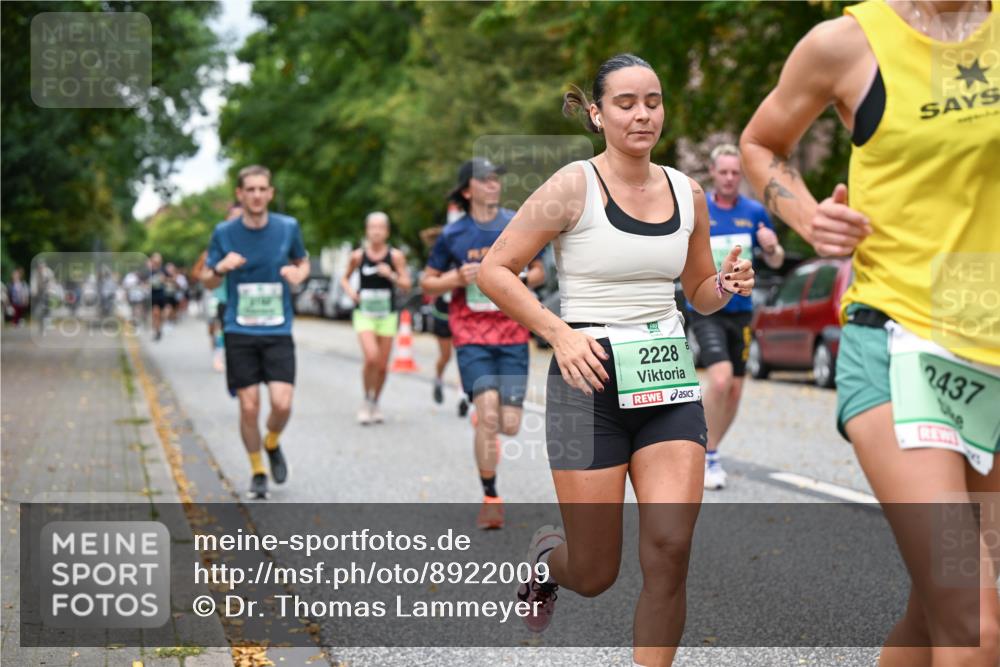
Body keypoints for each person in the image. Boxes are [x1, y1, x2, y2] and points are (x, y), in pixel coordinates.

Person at [740, 2, 999, 664]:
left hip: (992, 351)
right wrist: (809, 218)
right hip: (900, 343)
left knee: (938, 610)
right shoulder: (847, 45)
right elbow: (760, 145)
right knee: (974, 623)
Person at [477, 54, 754, 666]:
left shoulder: (688, 192)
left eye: (652, 101)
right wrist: (559, 334)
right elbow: (495, 270)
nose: (642, 114)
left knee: (671, 549)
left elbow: (698, 291)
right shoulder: (573, 185)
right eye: (625, 104)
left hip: (666, 381)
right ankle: (548, 559)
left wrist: (726, 285)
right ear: (598, 115)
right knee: (595, 570)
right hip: (587, 384)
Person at [421, 157, 546, 530]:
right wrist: (456, 279)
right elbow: (427, 282)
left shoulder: (516, 224)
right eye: (485, 179)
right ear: (467, 190)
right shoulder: (453, 235)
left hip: (512, 334)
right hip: (471, 336)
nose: (494, 184)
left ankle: (483, 415)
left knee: (509, 425)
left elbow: (539, 271)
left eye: (496, 179)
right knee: (490, 413)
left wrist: (516, 279)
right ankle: (491, 497)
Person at [201, 165, 309, 499]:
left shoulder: (288, 227)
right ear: (240, 194)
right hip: (239, 330)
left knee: (282, 403)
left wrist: (299, 274)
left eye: (263, 189)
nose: (257, 195)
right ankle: (258, 470)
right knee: (249, 407)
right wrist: (220, 268)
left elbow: (302, 261)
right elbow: (207, 280)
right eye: (250, 189)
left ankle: (271, 442)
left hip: (278, 329)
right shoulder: (224, 233)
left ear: (271, 193)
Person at [690, 143, 785, 489]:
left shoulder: (754, 212)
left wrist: (772, 247)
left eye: (735, 172)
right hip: (706, 308)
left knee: (734, 391)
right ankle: (701, 449)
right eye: (724, 172)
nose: (730, 178)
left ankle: (710, 451)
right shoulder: (701, 209)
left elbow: (775, 260)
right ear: (713, 173)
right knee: (720, 380)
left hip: (741, 312)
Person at [341, 211, 412, 425]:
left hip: (387, 315)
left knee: (382, 365)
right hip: (364, 313)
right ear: (367, 230)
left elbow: (407, 284)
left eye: (381, 227)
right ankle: (366, 399)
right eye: (373, 227)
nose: (377, 232)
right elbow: (344, 278)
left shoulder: (395, 256)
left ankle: (375, 402)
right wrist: (351, 293)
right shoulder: (357, 256)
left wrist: (390, 275)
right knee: (371, 357)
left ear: (387, 232)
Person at [194, 203, 244, 372]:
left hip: (243, 298)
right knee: (219, 328)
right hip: (219, 296)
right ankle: (218, 354)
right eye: (234, 216)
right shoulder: (218, 244)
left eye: (241, 216)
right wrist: (219, 269)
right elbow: (201, 274)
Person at [147, 253, 170, 341]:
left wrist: (165, 280)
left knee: (163, 314)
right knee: (156, 313)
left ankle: (160, 327)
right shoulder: (149, 270)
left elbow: (172, 279)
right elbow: (144, 280)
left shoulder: (163, 270)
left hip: (162, 294)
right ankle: (157, 331)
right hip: (153, 295)